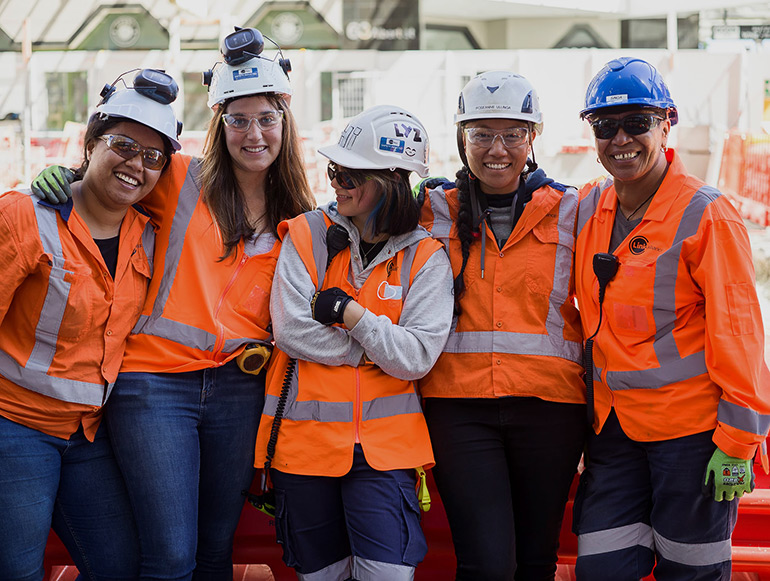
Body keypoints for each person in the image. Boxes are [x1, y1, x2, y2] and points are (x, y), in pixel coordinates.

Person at [31, 27, 315, 580]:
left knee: (214, 550)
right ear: (219, 124)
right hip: (154, 385)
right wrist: (60, 177)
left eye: (266, 118)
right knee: (170, 555)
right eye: (238, 120)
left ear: (285, 121)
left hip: (239, 387)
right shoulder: (182, 180)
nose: (253, 134)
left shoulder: (303, 213)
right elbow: (112, 176)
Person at [572, 56, 770, 580]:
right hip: (613, 433)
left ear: (666, 122)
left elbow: (741, 335)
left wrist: (737, 444)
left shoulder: (707, 215)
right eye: (605, 125)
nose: (621, 139)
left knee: (693, 573)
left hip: (691, 437)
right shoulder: (589, 207)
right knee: (602, 569)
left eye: (637, 122)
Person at [254, 104, 454, 580]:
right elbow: (291, 330)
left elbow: (416, 358)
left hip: (386, 458)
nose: (336, 183)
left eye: (349, 175)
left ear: (392, 181)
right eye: (334, 171)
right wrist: (374, 351)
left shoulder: (426, 257)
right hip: (303, 450)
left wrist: (352, 314)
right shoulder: (306, 233)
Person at [0, 68, 181, 580]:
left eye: (153, 157)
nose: (136, 165)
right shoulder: (24, 216)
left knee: (119, 568)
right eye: (124, 145)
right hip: (14, 427)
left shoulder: (150, 236)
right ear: (92, 142)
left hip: (88, 434)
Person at [415, 70, 586, 580]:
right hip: (458, 407)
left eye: (513, 134)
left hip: (550, 408)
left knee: (536, 562)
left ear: (532, 138)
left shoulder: (573, 209)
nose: (498, 149)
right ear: (461, 137)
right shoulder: (430, 209)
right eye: (482, 134)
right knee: (486, 564)